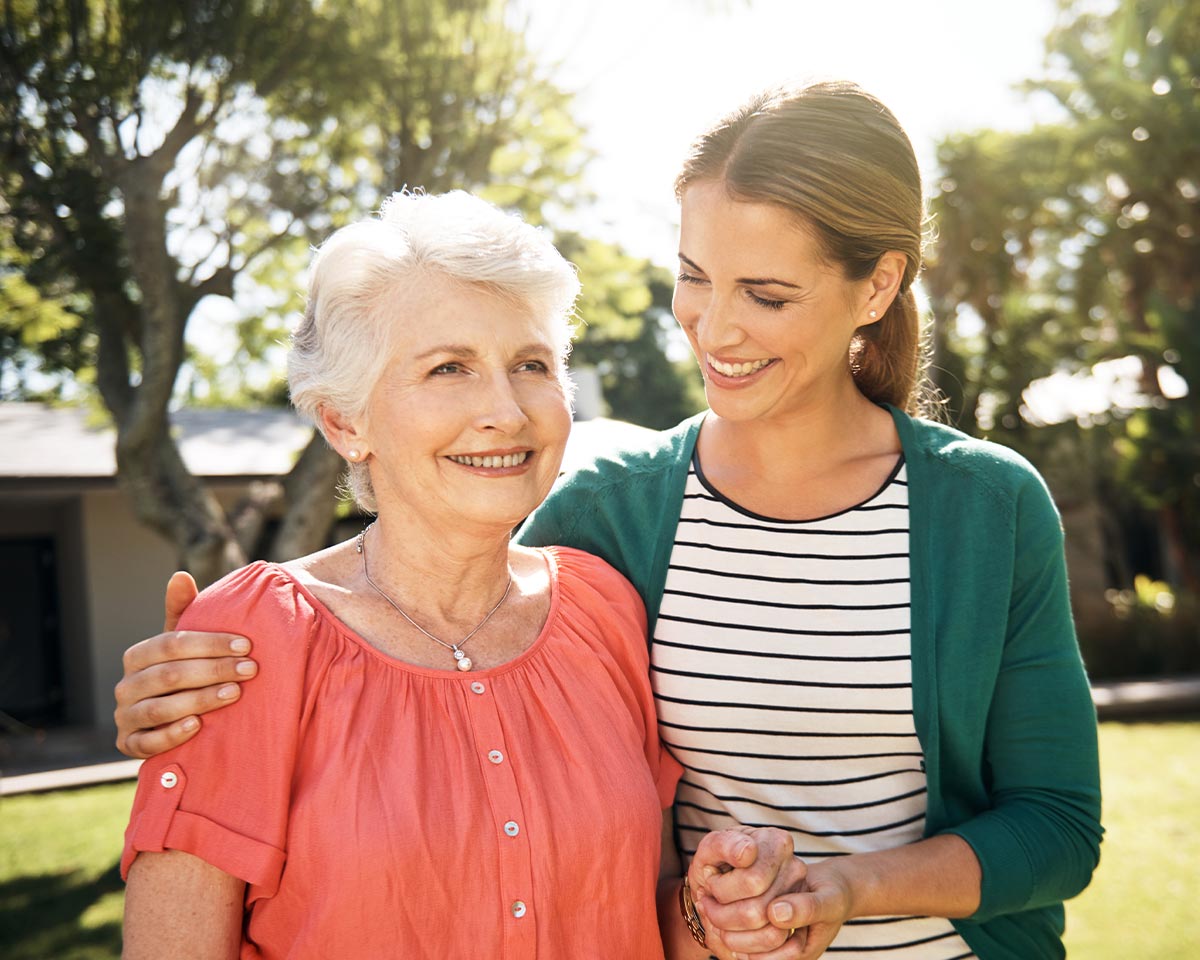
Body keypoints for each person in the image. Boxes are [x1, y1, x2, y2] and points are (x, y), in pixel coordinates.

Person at [114, 82, 1103, 960]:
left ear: (878, 285)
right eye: (694, 277)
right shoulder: (608, 517)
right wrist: (198, 672)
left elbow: (1057, 824)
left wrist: (820, 891)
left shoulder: (981, 508)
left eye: (764, 293)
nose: (714, 329)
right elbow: (420, 574)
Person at [119, 189, 690, 959]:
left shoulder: (603, 607)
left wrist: (711, 917)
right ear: (345, 422)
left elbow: (639, 917)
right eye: (449, 367)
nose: (508, 411)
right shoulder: (253, 640)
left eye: (532, 364)